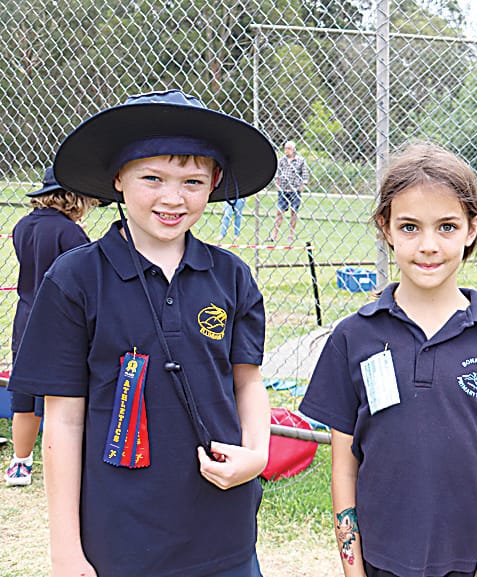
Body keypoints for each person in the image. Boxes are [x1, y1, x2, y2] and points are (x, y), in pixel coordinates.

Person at [8, 89, 276, 577]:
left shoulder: (231, 276)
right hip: (119, 539)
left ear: (214, 182)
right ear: (118, 180)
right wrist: (66, 551)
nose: (173, 198)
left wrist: (256, 455)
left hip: (224, 535)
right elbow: (64, 422)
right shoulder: (75, 280)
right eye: (152, 178)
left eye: (192, 181)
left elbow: (247, 381)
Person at [299, 142, 477, 577]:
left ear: (472, 229)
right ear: (386, 227)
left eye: (447, 227)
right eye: (410, 227)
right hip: (379, 562)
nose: (429, 245)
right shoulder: (352, 338)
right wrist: (354, 571)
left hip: (466, 565)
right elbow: (344, 470)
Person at [4, 166, 98, 487]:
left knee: (25, 393)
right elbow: (85, 273)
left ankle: (21, 463)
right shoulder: (70, 233)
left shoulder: (22, 226)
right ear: (74, 198)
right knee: (64, 392)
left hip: (26, 316)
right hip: (61, 321)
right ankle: (70, 458)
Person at [269, 139, 309, 243]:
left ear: (294, 150)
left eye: (289, 148)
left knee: (293, 213)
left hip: (295, 191)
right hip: (283, 190)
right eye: (285, 148)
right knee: (279, 212)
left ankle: (291, 235)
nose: (287, 150)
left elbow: (305, 175)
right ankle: (274, 235)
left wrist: (301, 187)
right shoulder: (282, 160)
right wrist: (278, 185)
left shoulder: (300, 161)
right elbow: (277, 173)